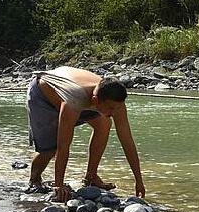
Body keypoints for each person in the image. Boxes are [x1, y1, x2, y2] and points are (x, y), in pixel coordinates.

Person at [27, 66, 145, 202]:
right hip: (43, 96)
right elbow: (63, 146)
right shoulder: (73, 100)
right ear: (95, 101)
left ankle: (91, 177)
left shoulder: (115, 101)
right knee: (49, 149)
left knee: (105, 123)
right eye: (111, 108)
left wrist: (139, 181)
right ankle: (34, 179)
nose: (114, 112)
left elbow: (127, 141)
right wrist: (59, 185)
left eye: (116, 108)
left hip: (78, 91)